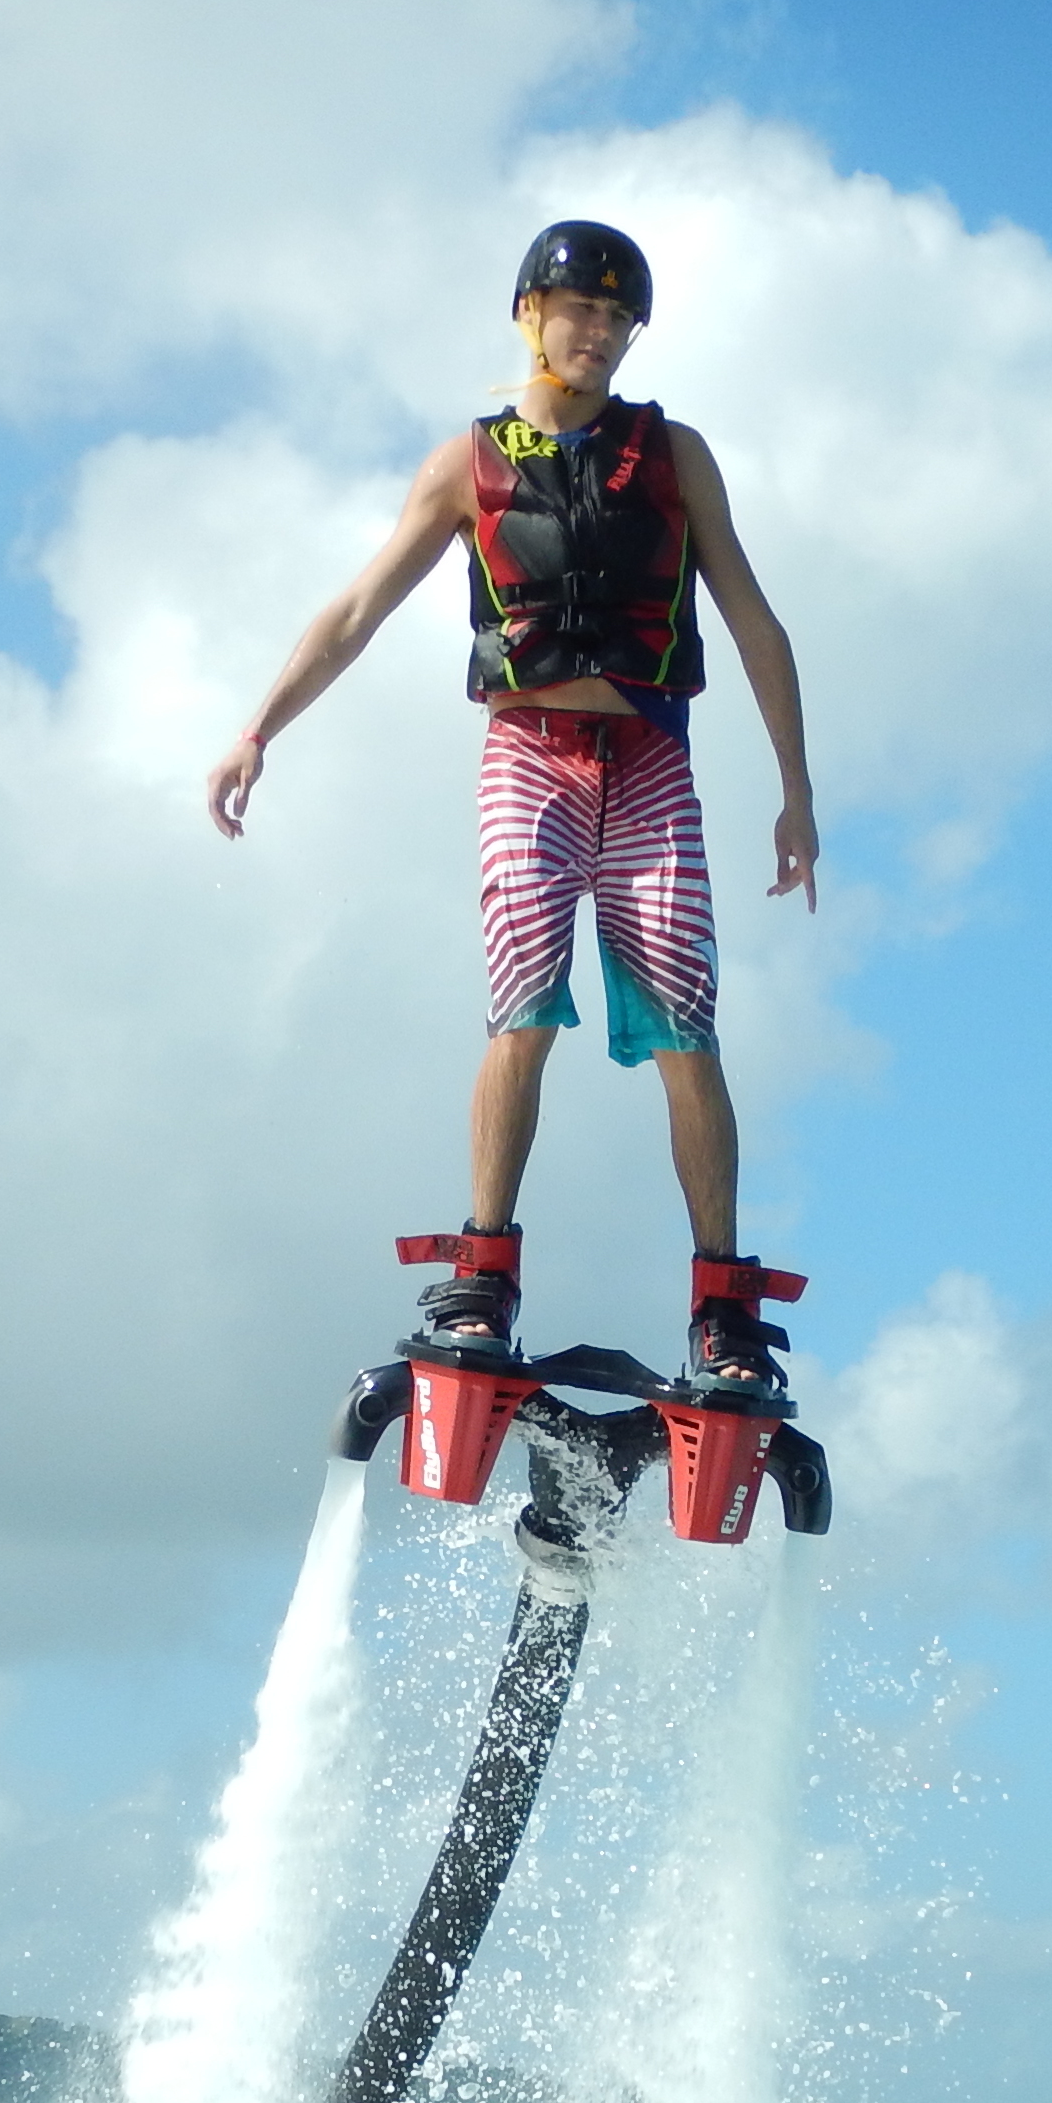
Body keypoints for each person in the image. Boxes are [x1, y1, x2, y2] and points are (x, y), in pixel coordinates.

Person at [204, 219, 821, 1397]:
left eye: (618, 318)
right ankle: (483, 1277)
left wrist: (795, 792)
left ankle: (722, 1309)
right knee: (523, 1004)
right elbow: (354, 611)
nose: (597, 333)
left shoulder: (675, 455)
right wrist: (256, 731)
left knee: (687, 1027)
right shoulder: (467, 464)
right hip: (528, 752)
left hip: (647, 756)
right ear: (528, 316)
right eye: (577, 310)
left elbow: (753, 618)